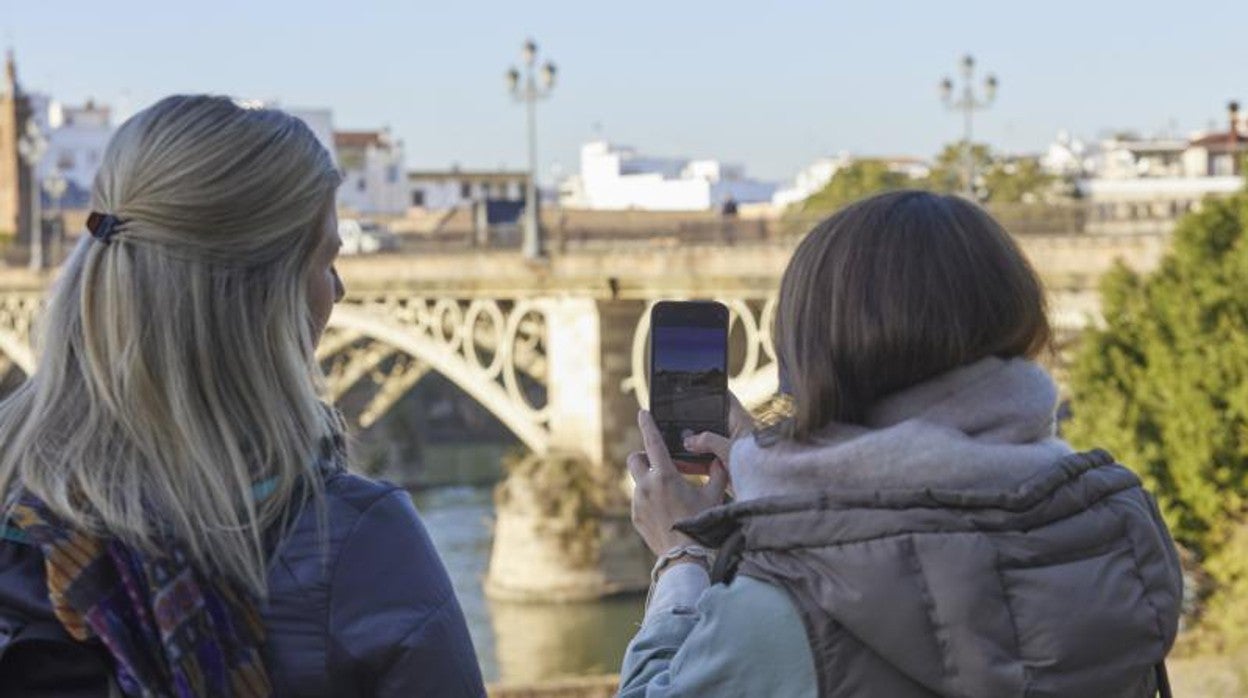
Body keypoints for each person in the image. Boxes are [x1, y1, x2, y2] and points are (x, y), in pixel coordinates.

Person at [0, 95, 485, 697]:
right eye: (326, 258)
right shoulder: (357, 545)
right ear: (263, 299)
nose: (338, 286)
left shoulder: (16, 511)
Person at [618, 190, 1183, 697]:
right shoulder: (1120, 529)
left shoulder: (785, 611)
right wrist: (773, 483)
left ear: (810, 351)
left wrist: (682, 557)